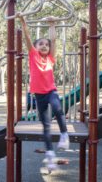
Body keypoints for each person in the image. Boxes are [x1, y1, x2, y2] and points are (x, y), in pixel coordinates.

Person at [18, 15, 69, 170]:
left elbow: (53, 41)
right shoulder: (33, 56)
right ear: (35, 47)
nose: (45, 46)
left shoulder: (50, 59)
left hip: (51, 91)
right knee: (45, 126)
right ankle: (50, 155)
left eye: (46, 44)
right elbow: (27, 38)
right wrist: (23, 22)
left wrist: (52, 24)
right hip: (39, 96)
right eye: (41, 44)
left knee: (58, 109)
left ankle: (64, 135)